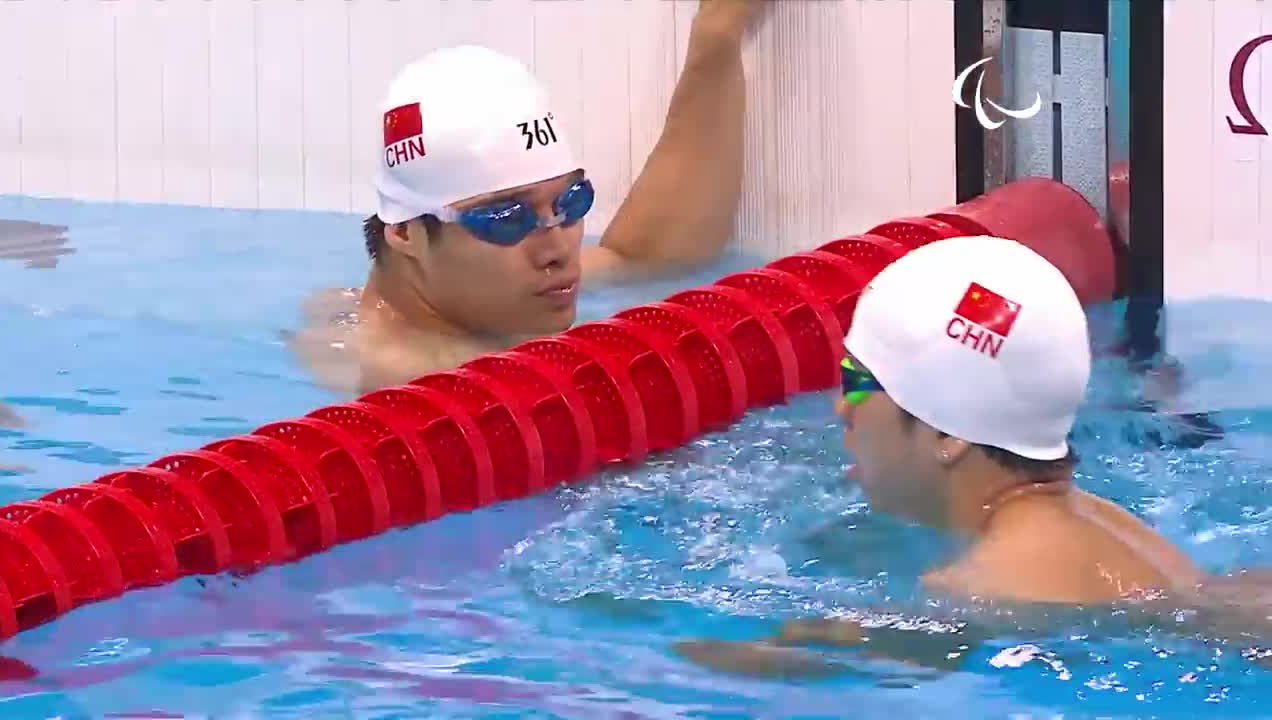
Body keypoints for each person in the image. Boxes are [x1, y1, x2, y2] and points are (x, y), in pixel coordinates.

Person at [674, 235, 1270, 677]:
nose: (840, 408)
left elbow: (783, 669)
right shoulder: (1108, 527)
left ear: (948, 431)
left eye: (857, 380)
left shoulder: (976, 591)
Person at [288, 0, 761, 394]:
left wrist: (717, 37)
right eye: (506, 218)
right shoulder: (408, 381)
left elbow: (646, 254)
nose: (557, 249)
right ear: (406, 233)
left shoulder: (482, 295)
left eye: (570, 203)